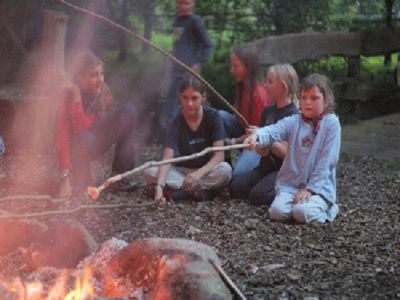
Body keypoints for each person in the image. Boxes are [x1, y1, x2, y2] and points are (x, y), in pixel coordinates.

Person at [245, 74, 341, 223]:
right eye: (304, 98)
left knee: (301, 213)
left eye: (314, 98)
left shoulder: (331, 123)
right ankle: (299, 207)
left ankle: (329, 208)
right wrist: (256, 136)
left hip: (319, 188)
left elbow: (327, 161)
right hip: (291, 185)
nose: (308, 103)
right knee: (277, 212)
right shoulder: (294, 121)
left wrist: (310, 189)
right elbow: (273, 130)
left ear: (326, 100)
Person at [56, 51, 138, 198]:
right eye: (93, 75)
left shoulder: (103, 93)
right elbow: (66, 135)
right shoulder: (68, 96)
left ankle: (119, 176)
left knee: (128, 111)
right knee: (83, 136)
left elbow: (100, 124)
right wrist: (65, 177)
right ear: (80, 77)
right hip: (78, 146)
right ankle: (82, 175)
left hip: (93, 140)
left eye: (101, 74)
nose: (99, 79)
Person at [143, 76, 232, 203]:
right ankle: (197, 192)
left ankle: (180, 192)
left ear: (203, 97)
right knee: (148, 170)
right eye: (185, 98)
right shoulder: (175, 122)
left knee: (226, 170)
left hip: (206, 170)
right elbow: (167, 159)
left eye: (194, 98)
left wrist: (197, 174)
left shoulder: (213, 116)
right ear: (180, 98)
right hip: (182, 171)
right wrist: (159, 188)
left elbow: (219, 156)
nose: (189, 103)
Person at [230, 64, 299, 206]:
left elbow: (286, 153)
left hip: (283, 171)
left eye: (270, 81)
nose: (265, 85)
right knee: (235, 187)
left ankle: (293, 191)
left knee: (257, 196)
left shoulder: (293, 115)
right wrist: (258, 145)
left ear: (283, 87)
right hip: (265, 167)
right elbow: (262, 151)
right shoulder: (268, 111)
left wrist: (266, 140)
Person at [160, 0, 213, 132]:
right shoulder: (177, 21)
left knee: (188, 104)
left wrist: (198, 62)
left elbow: (208, 44)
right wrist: (172, 54)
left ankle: (191, 135)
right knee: (171, 104)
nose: (184, 6)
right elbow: (181, 44)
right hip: (176, 71)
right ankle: (171, 136)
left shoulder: (195, 21)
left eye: (187, 3)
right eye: (180, 3)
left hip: (188, 72)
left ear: (193, 3)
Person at [219, 44, 271, 175]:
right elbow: (239, 121)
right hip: (245, 133)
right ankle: (223, 162)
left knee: (238, 175)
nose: (232, 70)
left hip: (257, 141)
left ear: (248, 67)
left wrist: (233, 141)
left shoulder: (259, 94)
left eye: (236, 66)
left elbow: (257, 133)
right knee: (219, 116)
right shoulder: (242, 87)